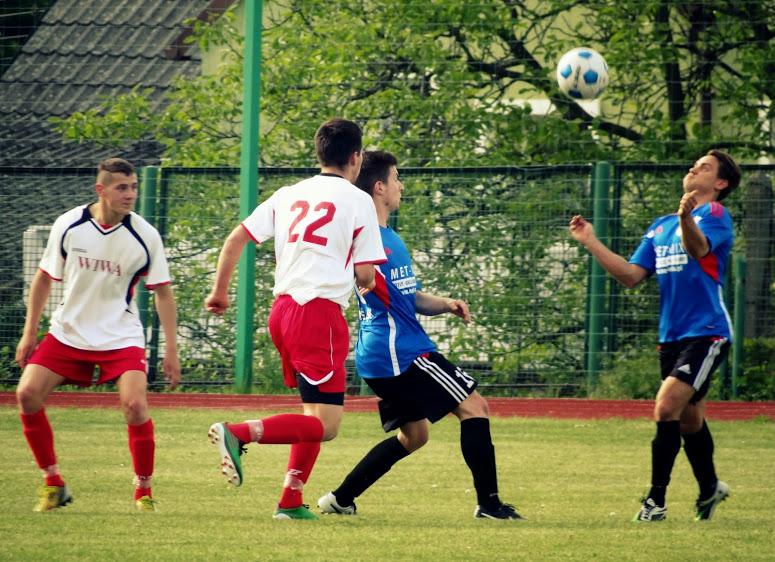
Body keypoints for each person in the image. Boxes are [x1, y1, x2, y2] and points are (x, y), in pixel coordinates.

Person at [316, 150, 524, 520]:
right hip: (400, 352)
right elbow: (358, 278)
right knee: (475, 406)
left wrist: (445, 303)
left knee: (415, 437)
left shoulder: (390, 238)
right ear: (379, 188)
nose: (401, 185)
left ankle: (340, 498)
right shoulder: (368, 240)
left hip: (382, 354)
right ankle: (489, 505)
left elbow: (406, 297)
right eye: (396, 178)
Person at [205, 118, 386, 520]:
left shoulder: (289, 193)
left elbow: (236, 239)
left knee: (312, 415)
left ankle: (290, 500)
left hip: (283, 313)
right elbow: (366, 276)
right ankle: (237, 433)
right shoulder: (359, 201)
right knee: (327, 425)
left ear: (319, 153)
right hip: (318, 314)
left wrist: (219, 292)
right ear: (356, 157)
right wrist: (369, 283)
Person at [569, 149, 741, 522]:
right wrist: (591, 241)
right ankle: (710, 488)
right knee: (688, 421)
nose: (694, 168)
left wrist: (685, 217)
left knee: (665, 408)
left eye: (705, 167)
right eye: (694, 163)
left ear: (720, 183)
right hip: (672, 337)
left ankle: (655, 502)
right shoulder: (661, 225)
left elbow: (698, 250)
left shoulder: (714, 214)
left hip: (707, 332)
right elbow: (631, 276)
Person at [15, 157, 181, 512]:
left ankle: (144, 492)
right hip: (68, 332)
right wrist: (29, 333)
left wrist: (171, 349)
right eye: (122, 187)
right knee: (27, 394)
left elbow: (163, 291)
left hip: (121, 335)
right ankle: (54, 483)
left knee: (135, 405)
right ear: (100, 190)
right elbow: (44, 278)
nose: (130, 194)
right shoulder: (70, 224)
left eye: (133, 187)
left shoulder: (145, 234)